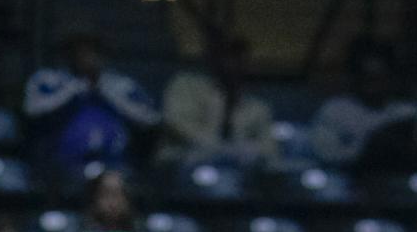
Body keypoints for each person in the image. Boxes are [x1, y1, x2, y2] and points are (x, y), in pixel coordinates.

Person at [309, 38, 417, 173]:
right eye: (367, 78)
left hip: (401, 186)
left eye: (380, 78)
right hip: (350, 184)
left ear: (391, 78)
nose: (373, 86)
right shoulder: (335, 110)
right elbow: (324, 153)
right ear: (356, 77)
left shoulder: (408, 112)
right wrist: (371, 148)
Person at [23, 28, 161, 169]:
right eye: (79, 50)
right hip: (61, 161)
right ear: (68, 53)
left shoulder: (121, 84)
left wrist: (104, 90)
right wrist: (74, 88)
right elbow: (32, 110)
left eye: (92, 50)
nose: (86, 56)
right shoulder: (48, 79)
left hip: (115, 161)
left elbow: (151, 118)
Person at [161, 34, 280, 166]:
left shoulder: (257, 108)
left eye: (239, 58)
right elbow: (177, 125)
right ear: (213, 59)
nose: (232, 64)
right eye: (227, 57)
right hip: (183, 165)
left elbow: (270, 151)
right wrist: (224, 149)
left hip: (236, 174)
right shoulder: (186, 85)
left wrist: (253, 151)